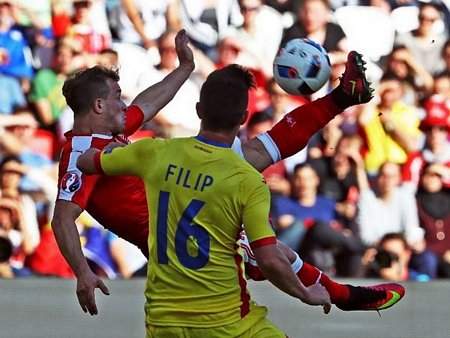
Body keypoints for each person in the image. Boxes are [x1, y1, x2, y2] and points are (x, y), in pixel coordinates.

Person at [52, 36, 404, 316]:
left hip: (186, 205)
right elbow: (62, 219)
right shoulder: (79, 155)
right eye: (117, 97)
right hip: (185, 236)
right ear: (98, 106)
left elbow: (149, 104)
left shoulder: (107, 134)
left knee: (247, 154)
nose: (125, 104)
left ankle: (342, 97)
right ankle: (343, 295)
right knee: (268, 249)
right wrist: (82, 271)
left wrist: (185, 68)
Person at [77, 63, 332, 336]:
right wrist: (305, 293)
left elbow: (84, 161)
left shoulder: (155, 152)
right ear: (244, 117)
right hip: (226, 322)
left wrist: (115, 149)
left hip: (164, 323)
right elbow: (269, 259)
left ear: (199, 111)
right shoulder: (247, 180)